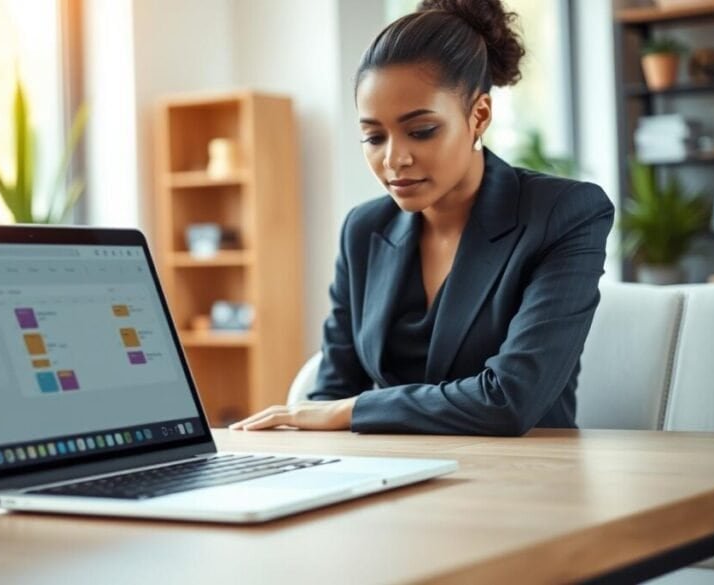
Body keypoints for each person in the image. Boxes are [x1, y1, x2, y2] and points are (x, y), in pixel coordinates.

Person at [230, 0, 614, 435]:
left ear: (478, 115)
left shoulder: (563, 214)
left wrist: (351, 411)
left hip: (523, 480)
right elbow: (332, 393)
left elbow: (509, 400)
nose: (394, 159)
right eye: (374, 137)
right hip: (390, 479)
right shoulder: (364, 230)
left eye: (421, 131)